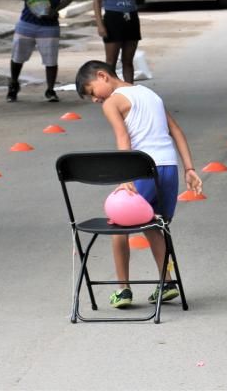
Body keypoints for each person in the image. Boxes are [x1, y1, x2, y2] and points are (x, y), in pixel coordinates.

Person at [74, 60, 202, 308]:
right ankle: (166, 283)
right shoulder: (150, 94)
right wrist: (190, 168)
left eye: (91, 92)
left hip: (141, 170)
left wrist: (126, 176)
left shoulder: (113, 102)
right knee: (154, 224)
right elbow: (175, 130)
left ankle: (123, 289)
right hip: (168, 169)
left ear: (103, 76)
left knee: (117, 225)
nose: (94, 100)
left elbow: (123, 137)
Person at [7, 0, 75, 103]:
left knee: (51, 59)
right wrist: (31, 1)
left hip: (50, 23)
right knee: (18, 55)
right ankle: (14, 84)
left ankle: (50, 90)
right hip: (27, 20)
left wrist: (56, 9)